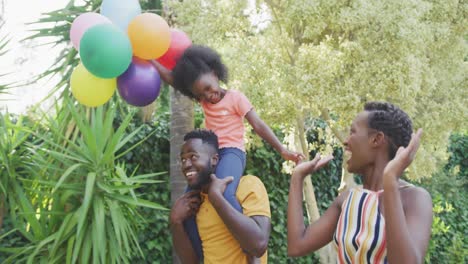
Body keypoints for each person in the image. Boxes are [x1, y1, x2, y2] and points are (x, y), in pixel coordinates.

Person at [152, 45, 303, 258]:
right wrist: (149, 59)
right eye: (201, 95)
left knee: (224, 191)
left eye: (209, 88)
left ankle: (249, 246)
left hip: (232, 152)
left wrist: (282, 149)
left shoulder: (236, 98)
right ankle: (200, 254)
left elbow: (258, 125)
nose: (208, 96)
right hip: (211, 156)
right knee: (189, 204)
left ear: (215, 74)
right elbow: (171, 78)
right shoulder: (202, 98)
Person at [287, 101, 433, 263]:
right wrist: (297, 178)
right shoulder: (347, 199)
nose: (346, 141)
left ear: (376, 140)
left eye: (353, 132)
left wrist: (390, 181)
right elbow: (297, 246)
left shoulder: (415, 198)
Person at [170, 129, 271, 263]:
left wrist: (217, 198)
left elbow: (258, 246)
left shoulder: (248, 185)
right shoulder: (194, 204)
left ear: (214, 159)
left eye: (193, 157)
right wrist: (175, 221)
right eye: (183, 159)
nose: (186, 165)